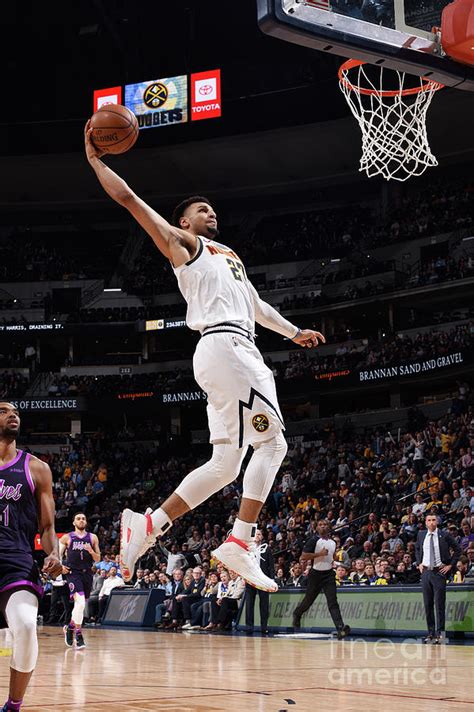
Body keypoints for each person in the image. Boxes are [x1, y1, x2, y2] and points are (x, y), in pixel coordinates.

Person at [84, 127, 325, 592]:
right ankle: (239, 539)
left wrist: (294, 333)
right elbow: (131, 199)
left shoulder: (229, 255)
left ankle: (148, 525)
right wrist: (96, 162)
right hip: (227, 347)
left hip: (230, 349)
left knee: (225, 466)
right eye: (201, 209)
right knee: (273, 445)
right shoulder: (185, 246)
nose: (210, 212)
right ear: (185, 222)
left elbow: (256, 306)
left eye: (211, 208)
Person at [0, 402, 62, 712]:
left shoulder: (36, 468)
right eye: (3, 410)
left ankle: (13, 706)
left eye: (15, 412)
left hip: (16, 562)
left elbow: (48, 526)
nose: (12, 415)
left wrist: (54, 553)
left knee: (24, 626)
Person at [292, 519, 351, 639]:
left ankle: (340, 628)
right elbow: (303, 556)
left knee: (332, 602)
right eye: (320, 525)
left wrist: (334, 561)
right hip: (315, 575)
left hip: (329, 574)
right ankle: (297, 613)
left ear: (329, 527)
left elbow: (332, 556)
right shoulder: (313, 540)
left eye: (325, 524)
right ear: (316, 528)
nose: (323, 526)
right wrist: (319, 554)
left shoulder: (333, 542)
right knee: (309, 601)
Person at [415, 512, 461, 643]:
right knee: (427, 604)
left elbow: (458, 549)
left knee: (439, 604)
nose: (431, 522)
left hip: (439, 572)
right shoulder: (421, 534)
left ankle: (441, 634)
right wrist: (419, 563)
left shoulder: (444, 535)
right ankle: (430, 634)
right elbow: (417, 549)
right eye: (429, 520)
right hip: (426, 573)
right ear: (425, 522)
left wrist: (450, 565)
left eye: (434, 520)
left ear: (437, 521)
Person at [59, 512, 101, 649]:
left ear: (86, 522)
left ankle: (70, 627)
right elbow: (57, 555)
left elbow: (98, 559)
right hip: (73, 573)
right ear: (74, 522)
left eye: (83, 518)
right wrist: (61, 567)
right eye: (78, 518)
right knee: (81, 602)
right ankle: (78, 633)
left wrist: (91, 552)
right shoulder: (67, 537)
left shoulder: (93, 537)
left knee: (80, 606)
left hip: (87, 573)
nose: (81, 520)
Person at [244, 529, 275, 634]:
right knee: (249, 604)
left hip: (263, 579)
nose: (257, 536)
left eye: (259, 534)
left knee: (264, 604)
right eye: (255, 534)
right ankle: (249, 627)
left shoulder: (266, 548)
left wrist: (271, 579)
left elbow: (271, 565)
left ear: (262, 537)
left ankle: (264, 627)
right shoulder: (248, 549)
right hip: (250, 579)